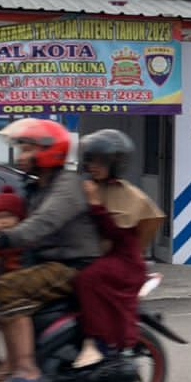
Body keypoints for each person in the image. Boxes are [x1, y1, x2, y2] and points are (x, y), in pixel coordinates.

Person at [0, 117, 98, 382]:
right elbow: (11, 220)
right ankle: (2, 363)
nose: (21, 157)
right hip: (47, 262)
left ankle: (26, 369)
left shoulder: (67, 184)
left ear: (49, 151)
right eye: (21, 150)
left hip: (73, 265)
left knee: (9, 287)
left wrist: (3, 240)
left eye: (27, 150)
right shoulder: (38, 186)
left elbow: (43, 223)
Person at [72, 129, 165, 368]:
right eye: (90, 159)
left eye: (100, 161)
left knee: (87, 279)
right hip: (94, 253)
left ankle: (96, 343)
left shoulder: (127, 194)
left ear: (115, 164)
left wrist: (95, 205)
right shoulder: (86, 185)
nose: (93, 165)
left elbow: (115, 233)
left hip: (123, 259)